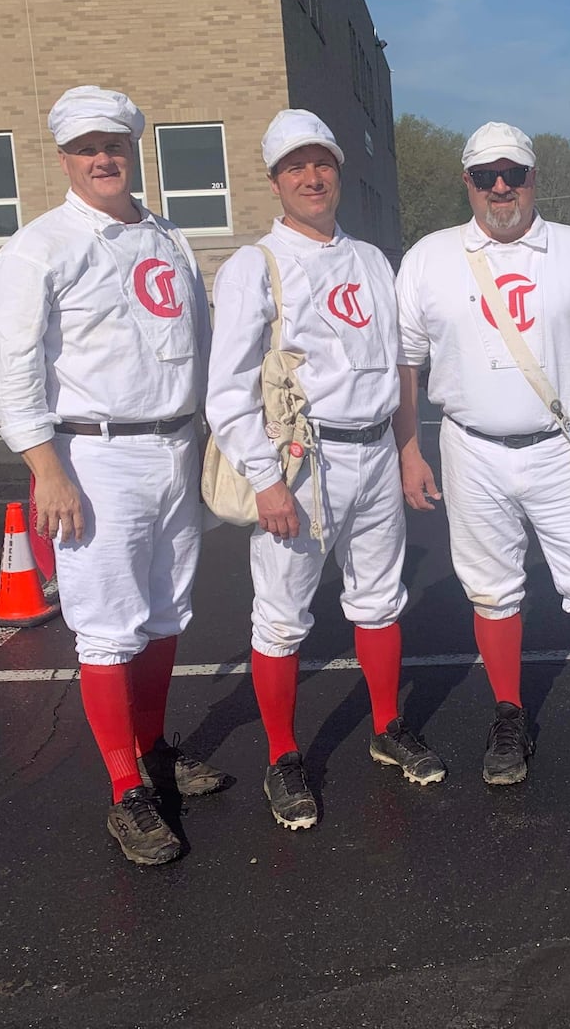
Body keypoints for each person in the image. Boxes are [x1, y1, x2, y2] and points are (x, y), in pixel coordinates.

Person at [395, 122, 570, 796]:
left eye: (514, 173)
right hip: (470, 448)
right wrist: (409, 447)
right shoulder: (430, 257)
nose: (502, 186)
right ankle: (509, 715)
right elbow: (405, 361)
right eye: (487, 174)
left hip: (562, 447)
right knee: (493, 591)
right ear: (466, 181)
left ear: (533, 179)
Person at [0, 86, 227, 867]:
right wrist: (44, 465)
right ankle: (127, 789)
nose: (103, 158)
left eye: (115, 144)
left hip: (173, 446)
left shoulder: (166, 236)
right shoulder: (40, 246)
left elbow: (197, 337)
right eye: (88, 147)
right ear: (63, 157)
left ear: (132, 148)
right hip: (95, 455)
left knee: (165, 612)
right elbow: (10, 366)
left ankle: (153, 747)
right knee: (106, 624)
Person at [205, 110, 444, 832]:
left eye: (323, 164)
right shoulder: (255, 265)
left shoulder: (371, 259)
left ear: (338, 170)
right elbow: (226, 389)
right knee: (283, 616)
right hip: (303, 460)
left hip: (374, 450)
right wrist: (266, 480)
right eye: (295, 168)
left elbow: (398, 369)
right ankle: (283, 755)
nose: (312, 178)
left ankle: (385, 725)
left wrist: (408, 448)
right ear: (274, 180)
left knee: (379, 598)